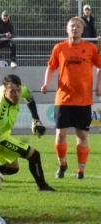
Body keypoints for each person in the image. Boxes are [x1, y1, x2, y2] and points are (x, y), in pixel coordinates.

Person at [41, 17, 101, 180]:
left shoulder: (91, 48)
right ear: (67, 30)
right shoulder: (59, 48)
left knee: (82, 135)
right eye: (72, 26)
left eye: (78, 27)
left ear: (83, 30)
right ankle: (62, 164)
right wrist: (46, 83)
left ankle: (81, 170)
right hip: (63, 99)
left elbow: (100, 66)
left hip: (83, 100)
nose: (75, 29)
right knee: (60, 134)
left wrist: (99, 85)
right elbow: (51, 67)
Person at [0, 74, 54, 191]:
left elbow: (29, 98)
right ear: (5, 91)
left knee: (12, 168)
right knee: (34, 155)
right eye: (12, 92)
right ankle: (42, 186)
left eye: (18, 90)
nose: (17, 95)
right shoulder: (1, 112)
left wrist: (36, 120)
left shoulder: (19, 88)